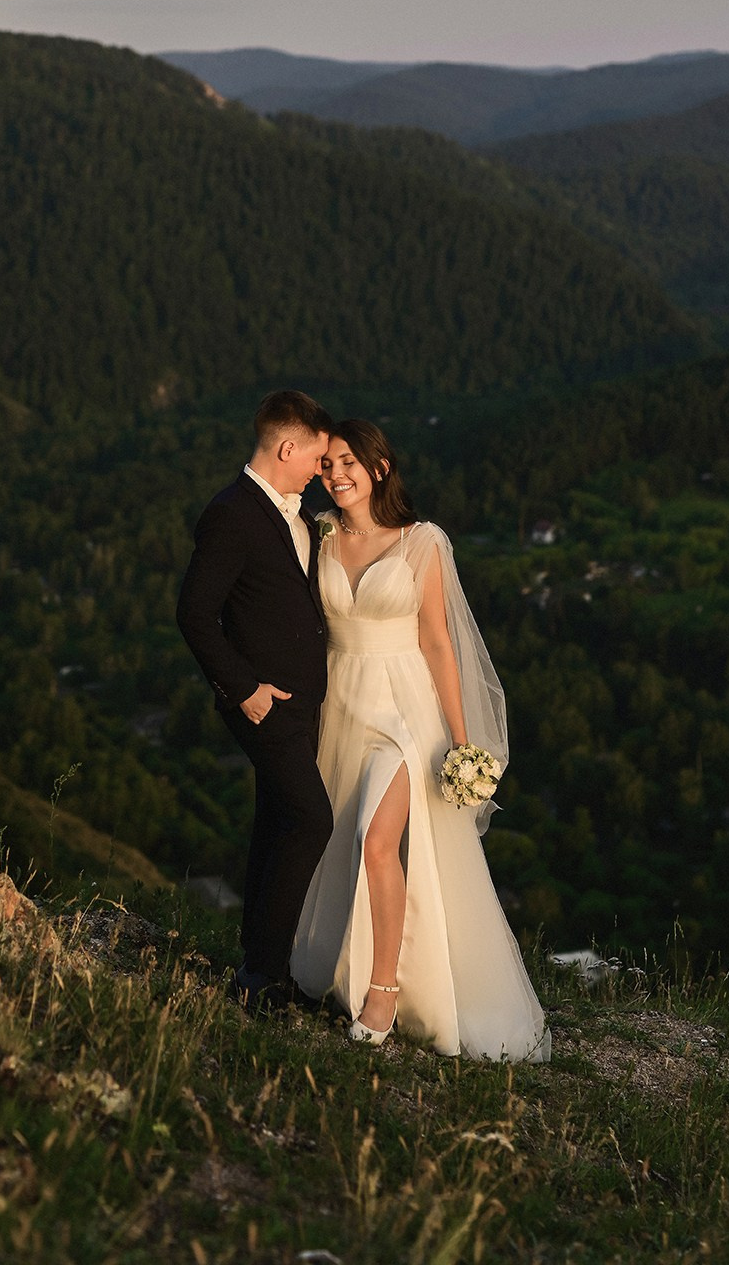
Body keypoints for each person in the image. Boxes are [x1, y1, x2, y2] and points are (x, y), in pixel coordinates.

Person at [291, 418, 551, 1061]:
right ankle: (350, 967)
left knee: (375, 842)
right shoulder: (320, 538)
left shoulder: (422, 542)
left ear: (380, 468)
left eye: (349, 461)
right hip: (342, 708)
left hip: (406, 714)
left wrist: (464, 744)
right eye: (327, 466)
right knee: (338, 842)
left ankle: (383, 991)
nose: (336, 474)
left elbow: (438, 640)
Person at [176, 389, 335, 1010]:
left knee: (275, 822)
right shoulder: (232, 513)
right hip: (262, 704)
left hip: (299, 704)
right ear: (286, 448)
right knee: (310, 820)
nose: (319, 473)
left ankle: (257, 968)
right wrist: (244, 690)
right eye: (316, 460)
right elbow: (193, 613)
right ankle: (264, 976)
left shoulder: (292, 514)